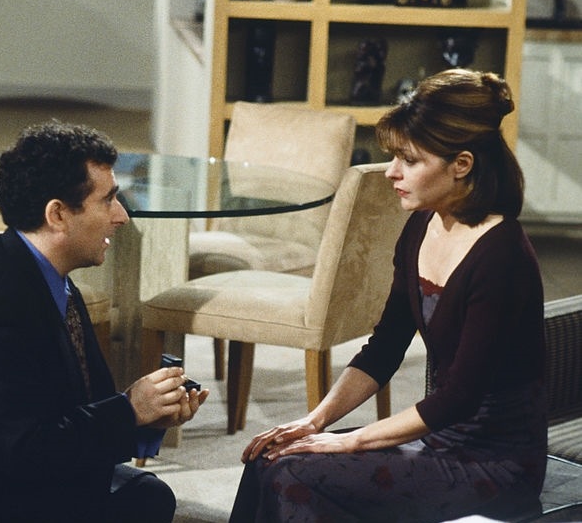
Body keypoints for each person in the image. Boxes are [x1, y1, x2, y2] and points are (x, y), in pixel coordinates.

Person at [229, 69, 547, 522]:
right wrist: (315, 421)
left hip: (495, 465)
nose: (392, 172)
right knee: (274, 455)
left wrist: (350, 440)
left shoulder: (502, 256)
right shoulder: (420, 226)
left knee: (295, 473)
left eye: (409, 160)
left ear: (462, 164)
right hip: (439, 441)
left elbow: (459, 397)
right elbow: (383, 350)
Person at [0, 120, 209, 523]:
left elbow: (72, 410)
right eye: (108, 200)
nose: (121, 216)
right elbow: (26, 451)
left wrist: (147, 414)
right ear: (57, 214)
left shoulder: (48, 277)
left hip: (24, 475)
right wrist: (128, 410)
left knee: (149, 496)